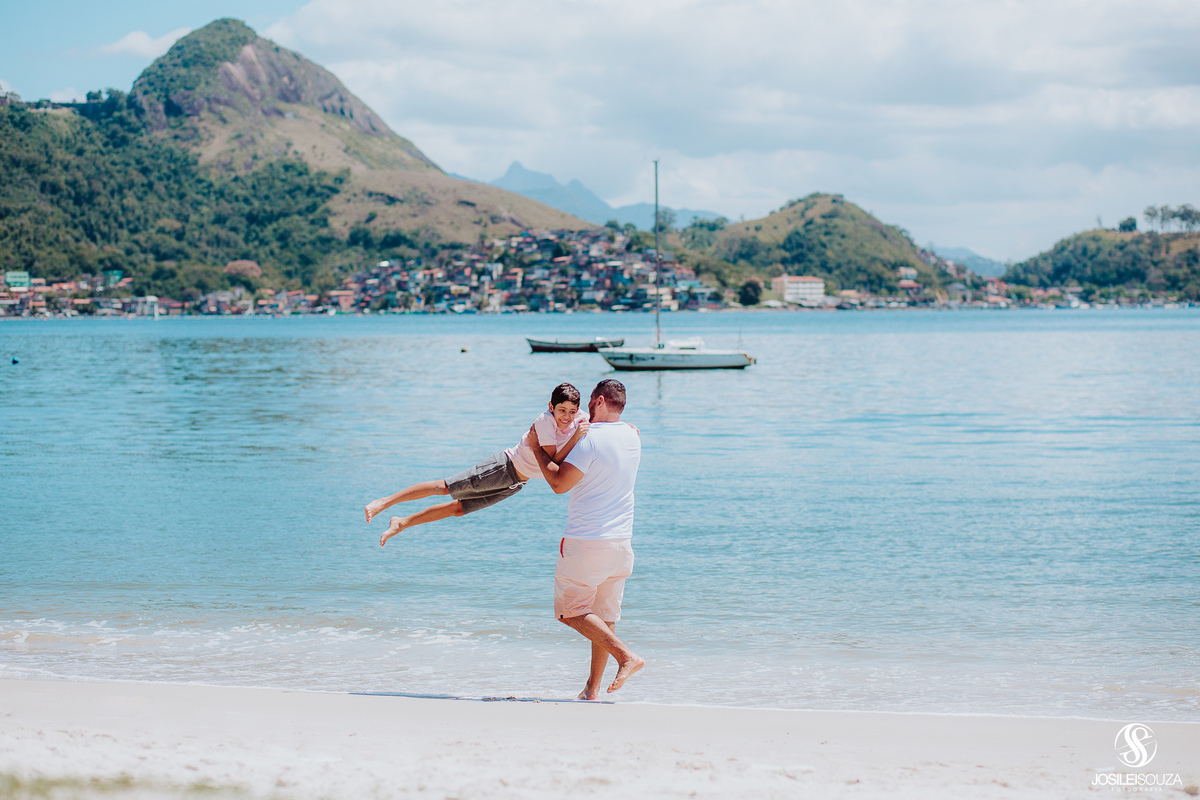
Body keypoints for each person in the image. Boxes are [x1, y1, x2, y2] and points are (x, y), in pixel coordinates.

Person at [529, 378, 644, 699]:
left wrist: (537, 449)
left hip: (587, 541)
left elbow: (558, 484)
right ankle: (592, 690)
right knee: (604, 617)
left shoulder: (590, 439)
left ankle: (626, 657)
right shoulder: (633, 436)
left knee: (570, 612)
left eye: (590, 403)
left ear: (599, 401)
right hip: (621, 543)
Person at [366, 383, 588, 546]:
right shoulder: (545, 422)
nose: (567, 417)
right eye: (562, 410)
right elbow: (552, 462)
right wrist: (577, 437)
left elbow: (599, 425)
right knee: (446, 487)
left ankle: (402, 523)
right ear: (551, 406)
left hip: (517, 482)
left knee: (457, 509)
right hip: (503, 467)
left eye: (572, 411)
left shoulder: (579, 418)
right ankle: (384, 502)